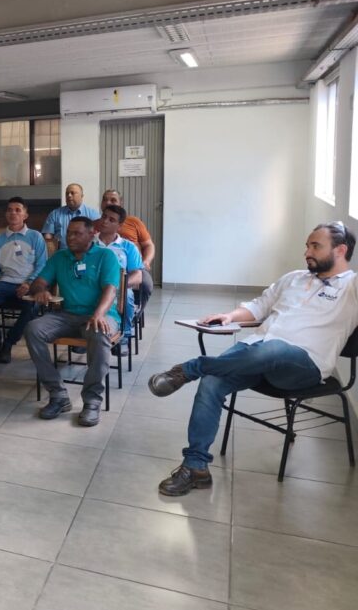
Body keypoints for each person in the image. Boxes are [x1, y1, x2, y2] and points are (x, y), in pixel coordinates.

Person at [147, 222, 358, 496]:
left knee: (274, 349)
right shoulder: (294, 278)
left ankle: (191, 368)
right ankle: (196, 467)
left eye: (315, 246)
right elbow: (259, 306)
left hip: (304, 365)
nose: (307, 252)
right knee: (212, 383)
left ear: (340, 250)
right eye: (307, 245)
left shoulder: (351, 287)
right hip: (256, 354)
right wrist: (230, 316)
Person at [25, 217, 121, 427]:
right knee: (33, 329)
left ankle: (92, 400)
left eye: (77, 233)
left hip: (101, 315)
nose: (70, 237)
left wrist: (99, 314)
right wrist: (41, 291)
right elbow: (39, 282)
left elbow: (111, 289)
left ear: (91, 234)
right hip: (67, 315)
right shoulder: (60, 257)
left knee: (99, 332)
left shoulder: (105, 256)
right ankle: (58, 394)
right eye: (69, 232)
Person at [0, 197, 47, 363]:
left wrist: (29, 283)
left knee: (32, 306)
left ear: (25, 215)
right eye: (10, 210)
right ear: (6, 214)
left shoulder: (35, 236)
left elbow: (42, 264)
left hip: (28, 284)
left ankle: (8, 344)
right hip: (3, 283)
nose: (13, 213)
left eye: (18, 210)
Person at [99, 189, 156, 310]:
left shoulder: (134, 222)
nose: (108, 203)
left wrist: (146, 261)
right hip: (99, 269)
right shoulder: (94, 225)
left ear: (121, 203)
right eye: (105, 200)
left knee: (146, 284)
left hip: (132, 265)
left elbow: (148, 245)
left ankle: (136, 312)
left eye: (113, 200)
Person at [94, 204, 143, 334]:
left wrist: (119, 286)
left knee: (127, 295)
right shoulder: (90, 243)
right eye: (104, 217)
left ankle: (125, 334)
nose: (105, 221)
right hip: (92, 285)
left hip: (119, 287)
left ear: (119, 226)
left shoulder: (128, 247)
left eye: (111, 220)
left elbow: (137, 276)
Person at [42, 183, 101, 250]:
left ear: (81, 196)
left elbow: (99, 238)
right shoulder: (55, 214)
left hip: (86, 254)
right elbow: (48, 238)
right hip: (62, 254)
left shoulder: (93, 214)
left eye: (72, 193)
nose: (69, 195)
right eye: (67, 193)